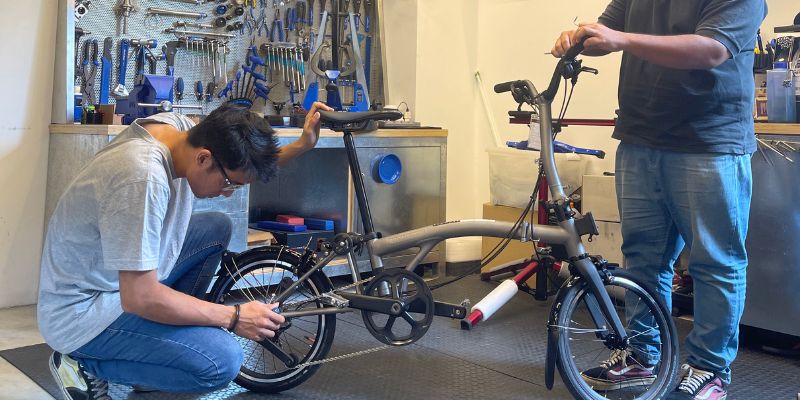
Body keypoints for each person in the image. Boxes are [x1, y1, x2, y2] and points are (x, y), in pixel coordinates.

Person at [39, 101, 333, 399]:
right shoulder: (142, 177)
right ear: (204, 159)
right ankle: (84, 363)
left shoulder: (182, 131)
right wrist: (233, 316)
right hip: (83, 312)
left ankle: (154, 348)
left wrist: (301, 145)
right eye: (229, 183)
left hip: (113, 278)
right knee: (222, 361)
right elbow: (139, 296)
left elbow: (239, 163)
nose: (228, 191)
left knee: (215, 227)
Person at [551, 1, 766, 399]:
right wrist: (582, 37)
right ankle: (643, 356)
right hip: (639, 137)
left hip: (710, 142)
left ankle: (709, 368)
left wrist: (621, 39)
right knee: (643, 260)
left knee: (715, 263)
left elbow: (711, 48)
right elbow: (606, 32)